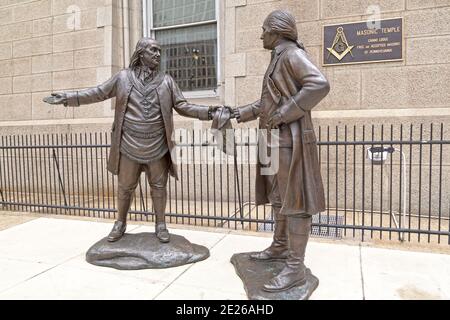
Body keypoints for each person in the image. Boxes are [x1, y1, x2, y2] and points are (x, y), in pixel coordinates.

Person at [44, 38, 219, 244]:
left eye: (160, 51)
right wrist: (68, 97)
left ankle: (161, 224)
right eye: (153, 50)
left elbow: (183, 106)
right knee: (125, 187)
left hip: (158, 144)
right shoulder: (123, 78)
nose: (158, 55)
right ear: (141, 53)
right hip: (128, 143)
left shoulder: (167, 81)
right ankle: (120, 223)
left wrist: (209, 112)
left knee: (159, 186)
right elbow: (98, 93)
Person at [233, 10, 330, 292]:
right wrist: (240, 113)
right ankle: (279, 246)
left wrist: (286, 112)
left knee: (296, 204)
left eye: (264, 30)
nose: (261, 34)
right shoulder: (278, 58)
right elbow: (267, 103)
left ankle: (295, 269)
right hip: (276, 143)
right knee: (279, 198)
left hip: (290, 143)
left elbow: (319, 84)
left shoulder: (290, 55)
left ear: (276, 32)